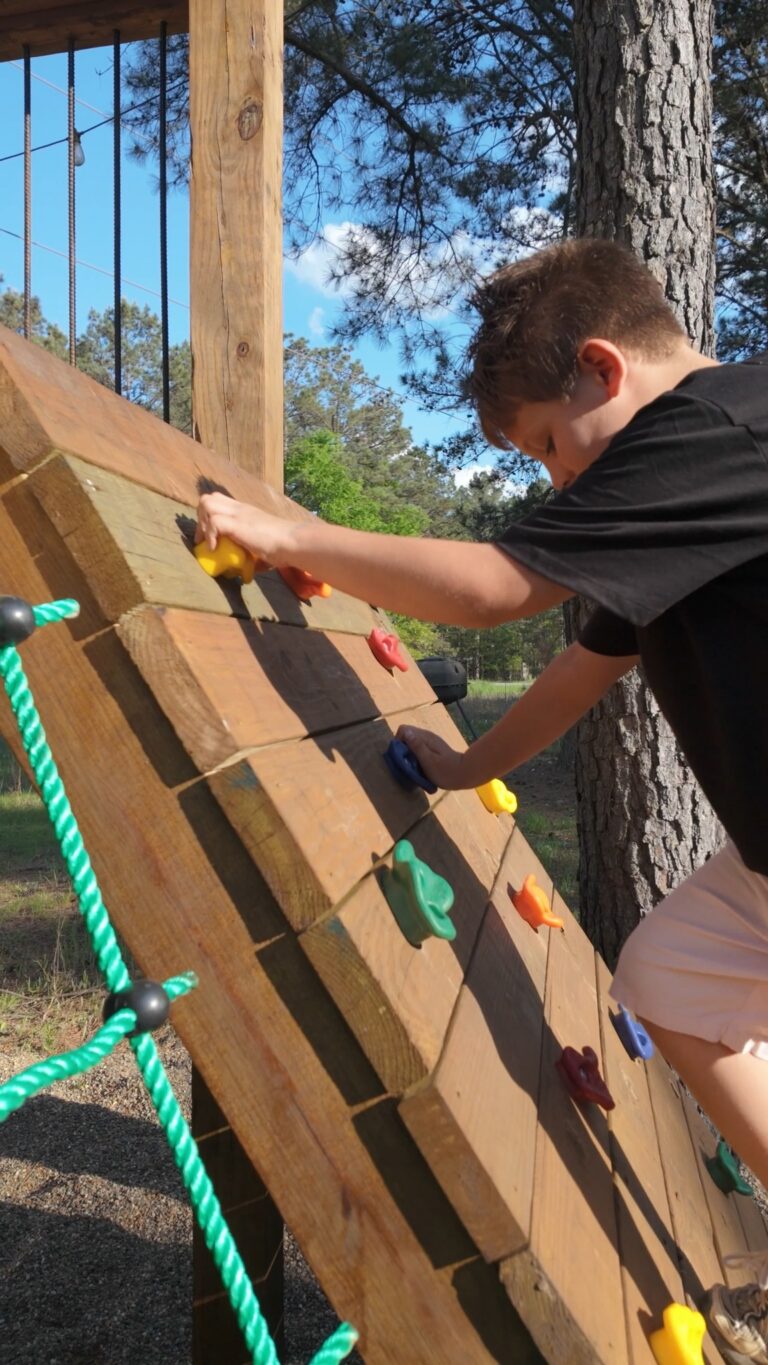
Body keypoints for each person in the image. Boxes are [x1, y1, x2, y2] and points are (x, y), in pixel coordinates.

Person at [197, 237, 768, 1365]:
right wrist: (459, 767)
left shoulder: (710, 430)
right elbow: (579, 671)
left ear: (604, 369)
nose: (556, 481)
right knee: (667, 976)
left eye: (549, 446)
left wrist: (293, 536)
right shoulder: (683, 495)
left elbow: (494, 592)